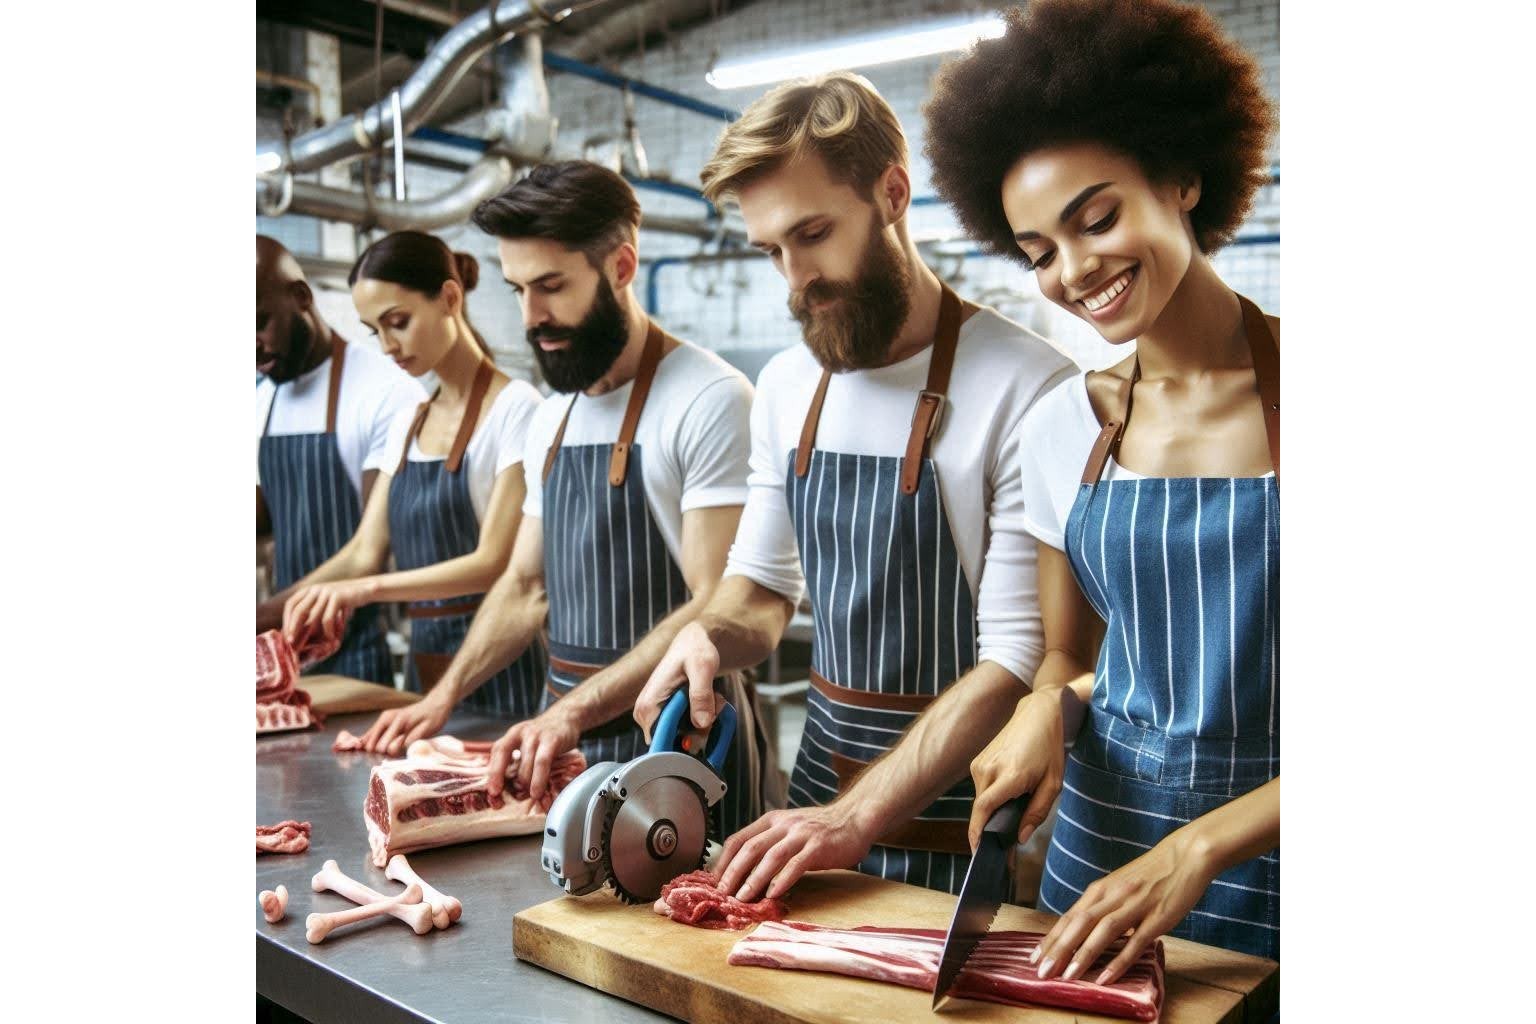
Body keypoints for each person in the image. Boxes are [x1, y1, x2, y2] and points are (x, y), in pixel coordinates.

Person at [633, 73, 1077, 899]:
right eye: (772, 250)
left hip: (966, 829)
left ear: (893, 193)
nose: (795, 279)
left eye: (813, 233)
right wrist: (706, 637)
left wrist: (857, 817)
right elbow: (761, 592)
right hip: (811, 816)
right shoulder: (786, 386)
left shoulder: (1029, 386)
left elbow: (1016, 659)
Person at [923, 0, 1280, 978]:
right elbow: (1069, 661)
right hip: (1103, 868)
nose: (1076, 271)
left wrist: (1198, 847)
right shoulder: (1060, 429)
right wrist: (1046, 707)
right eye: (1039, 253)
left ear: (1183, 176)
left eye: (1097, 218)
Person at [353, 162, 779, 840]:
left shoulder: (709, 399)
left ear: (620, 267)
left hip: (681, 744)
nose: (531, 317)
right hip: (566, 746)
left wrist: (572, 711)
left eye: (552, 287)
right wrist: (444, 696)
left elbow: (713, 603)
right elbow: (525, 587)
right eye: (519, 289)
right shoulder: (553, 417)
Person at [281, 231, 547, 716]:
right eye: (373, 330)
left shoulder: (517, 409)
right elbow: (364, 551)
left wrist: (368, 589)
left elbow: (494, 561)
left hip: (504, 667)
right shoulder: (409, 422)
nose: (387, 345)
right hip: (423, 672)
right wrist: (273, 609)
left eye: (397, 322)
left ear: (449, 298)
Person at [256, 235, 425, 681]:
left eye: (258, 322)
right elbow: (265, 516)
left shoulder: (384, 388)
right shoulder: (262, 401)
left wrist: (263, 616)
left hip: (356, 656)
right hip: (284, 654)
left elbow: (376, 550)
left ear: (301, 297)